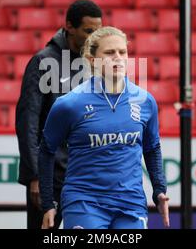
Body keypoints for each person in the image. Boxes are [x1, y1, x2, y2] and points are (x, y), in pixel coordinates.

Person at [38, 26, 169, 229]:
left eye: (122, 52)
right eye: (109, 53)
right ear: (92, 60)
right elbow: (46, 151)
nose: (117, 57)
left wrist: (159, 190)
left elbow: (152, 148)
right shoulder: (70, 104)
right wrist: (48, 202)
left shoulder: (145, 101)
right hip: (84, 202)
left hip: (131, 204)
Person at [15, 0, 103, 229]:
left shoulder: (93, 65)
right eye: (89, 31)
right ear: (69, 27)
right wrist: (35, 175)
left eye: (98, 31)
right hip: (49, 175)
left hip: (85, 175)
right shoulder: (43, 61)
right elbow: (28, 122)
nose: (94, 37)